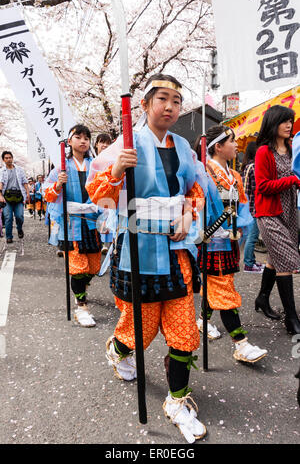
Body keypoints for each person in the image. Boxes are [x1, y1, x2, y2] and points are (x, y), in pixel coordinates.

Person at [86, 73, 208, 443]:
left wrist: (189, 214)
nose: (170, 106)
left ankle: (177, 401)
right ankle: (117, 348)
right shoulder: (125, 142)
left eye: (176, 100)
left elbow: (196, 189)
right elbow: (99, 195)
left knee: (184, 331)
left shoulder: (184, 147)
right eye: (163, 99)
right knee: (142, 328)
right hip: (137, 248)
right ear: (144, 104)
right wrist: (118, 170)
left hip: (176, 250)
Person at [195, 125, 268, 362]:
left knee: (219, 284)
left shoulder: (234, 175)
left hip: (229, 239)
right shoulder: (202, 173)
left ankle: (202, 320)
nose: (237, 146)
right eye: (232, 141)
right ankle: (241, 344)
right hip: (211, 240)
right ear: (218, 146)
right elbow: (194, 206)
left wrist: (239, 227)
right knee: (224, 289)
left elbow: (244, 205)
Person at [44, 124, 102, 328]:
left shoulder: (95, 165)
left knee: (94, 266)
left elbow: (104, 191)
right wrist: (58, 184)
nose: (83, 140)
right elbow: (47, 194)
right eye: (78, 137)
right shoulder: (61, 167)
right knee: (78, 268)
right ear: (69, 141)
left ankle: (82, 289)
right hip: (72, 223)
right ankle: (81, 306)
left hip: (92, 222)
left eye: (87, 137)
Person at [255, 105, 300, 334]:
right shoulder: (264, 151)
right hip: (269, 212)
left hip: (290, 211)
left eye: (290, 121)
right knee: (288, 259)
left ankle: (262, 298)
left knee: (275, 258)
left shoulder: (292, 149)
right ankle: (291, 319)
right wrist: (291, 180)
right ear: (273, 123)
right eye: (284, 121)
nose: (288, 125)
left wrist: (297, 180)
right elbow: (262, 186)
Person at [241, 141, 265, 274]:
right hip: (254, 207)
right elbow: (258, 189)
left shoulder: (246, 166)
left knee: (250, 236)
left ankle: (251, 261)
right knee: (252, 237)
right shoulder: (255, 167)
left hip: (246, 207)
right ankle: (249, 264)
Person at [0, 151, 30, 243]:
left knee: (19, 216)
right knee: (8, 217)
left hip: (18, 196)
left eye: (10, 157)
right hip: (6, 198)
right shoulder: (2, 171)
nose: (9, 159)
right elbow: (0, 183)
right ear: (3, 160)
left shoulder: (19, 169)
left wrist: (28, 193)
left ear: (12, 158)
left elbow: (24, 182)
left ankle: (19, 228)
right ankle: (9, 236)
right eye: (6, 158)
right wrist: (0, 195)